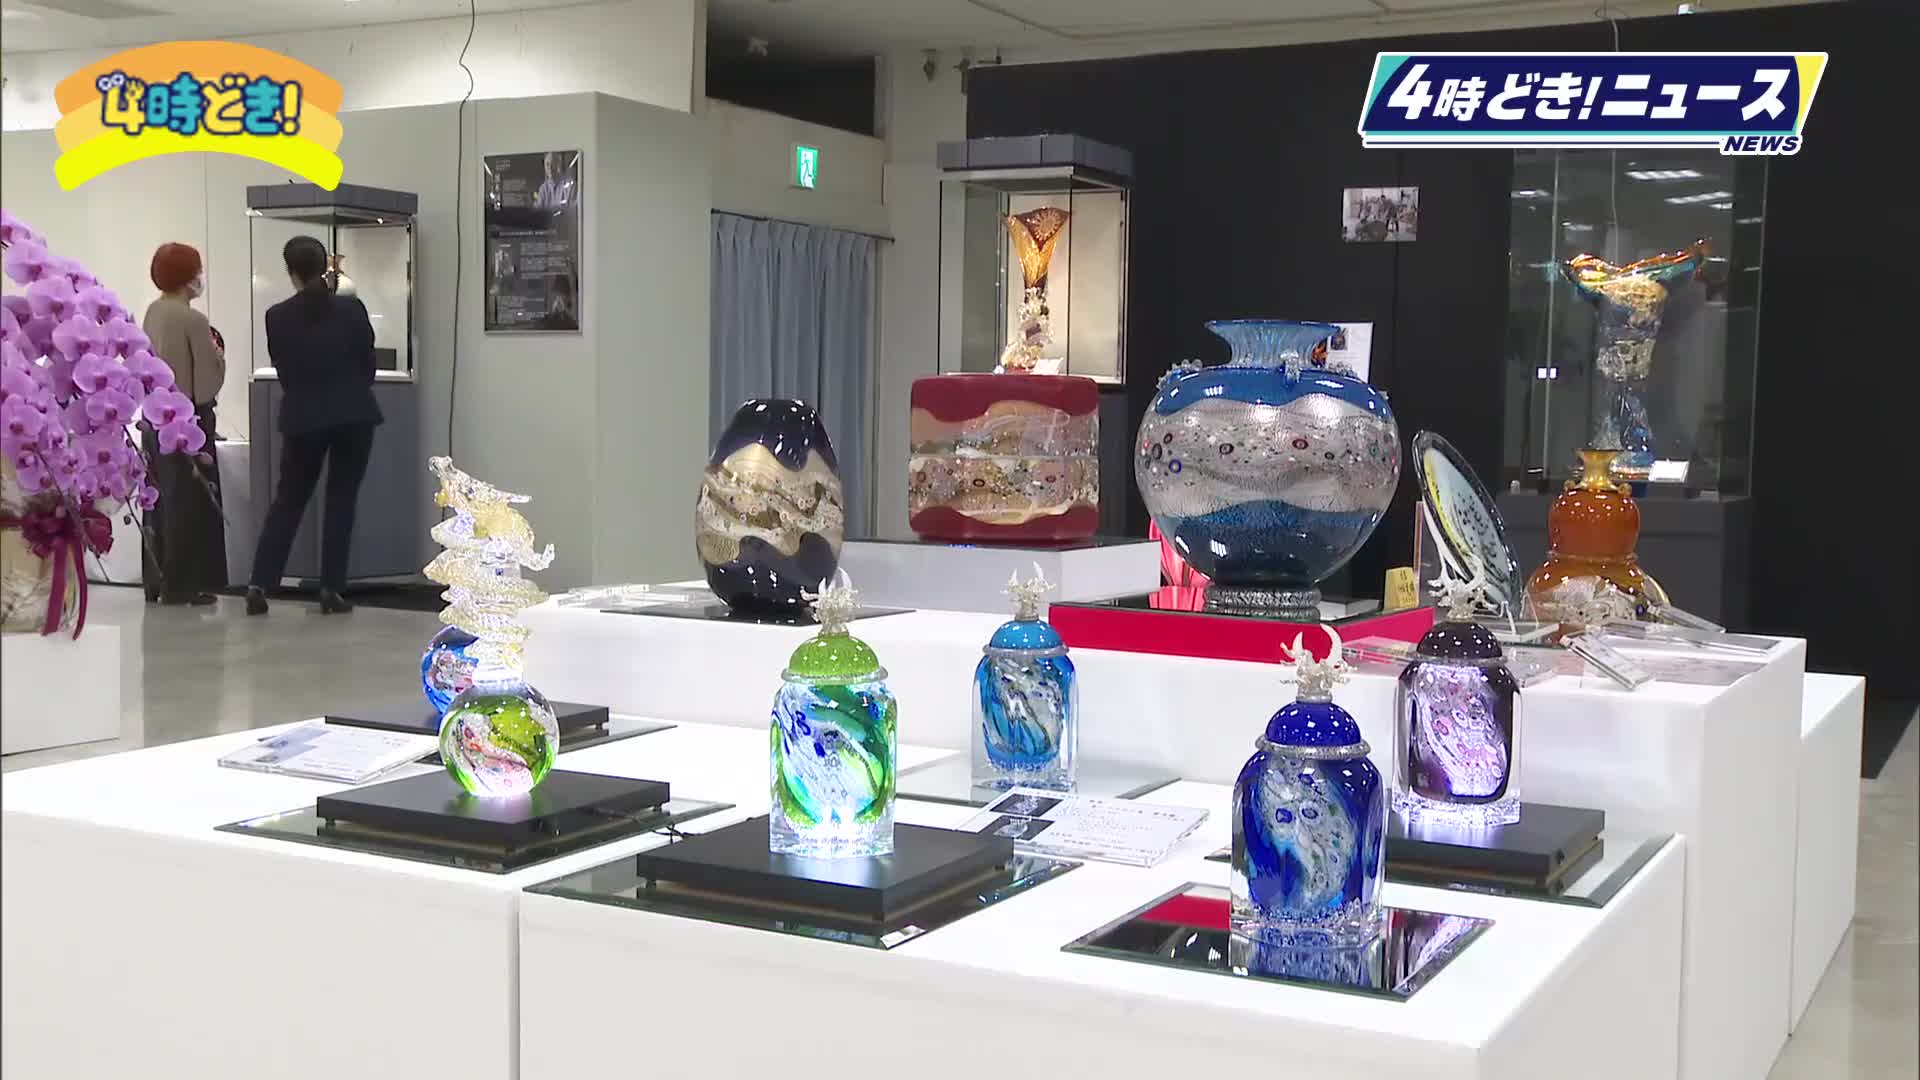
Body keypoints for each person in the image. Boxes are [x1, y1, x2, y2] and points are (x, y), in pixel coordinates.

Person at [245, 236, 383, 616]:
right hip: (353, 413)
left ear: (290, 271)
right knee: (341, 500)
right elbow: (367, 363)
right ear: (325, 267)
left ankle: (260, 582)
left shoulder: (277, 316)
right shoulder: (351, 309)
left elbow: (285, 371)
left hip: (303, 416)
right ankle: (331, 589)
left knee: (289, 500)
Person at [140, 242, 227, 605]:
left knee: (158, 499)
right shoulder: (194, 320)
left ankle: (156, 579)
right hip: (187, 421)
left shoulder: (153, 312)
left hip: (154, 417)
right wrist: (219, 357)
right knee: (189, 502)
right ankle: (184, 583)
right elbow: (206, 383)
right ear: (189, 277)